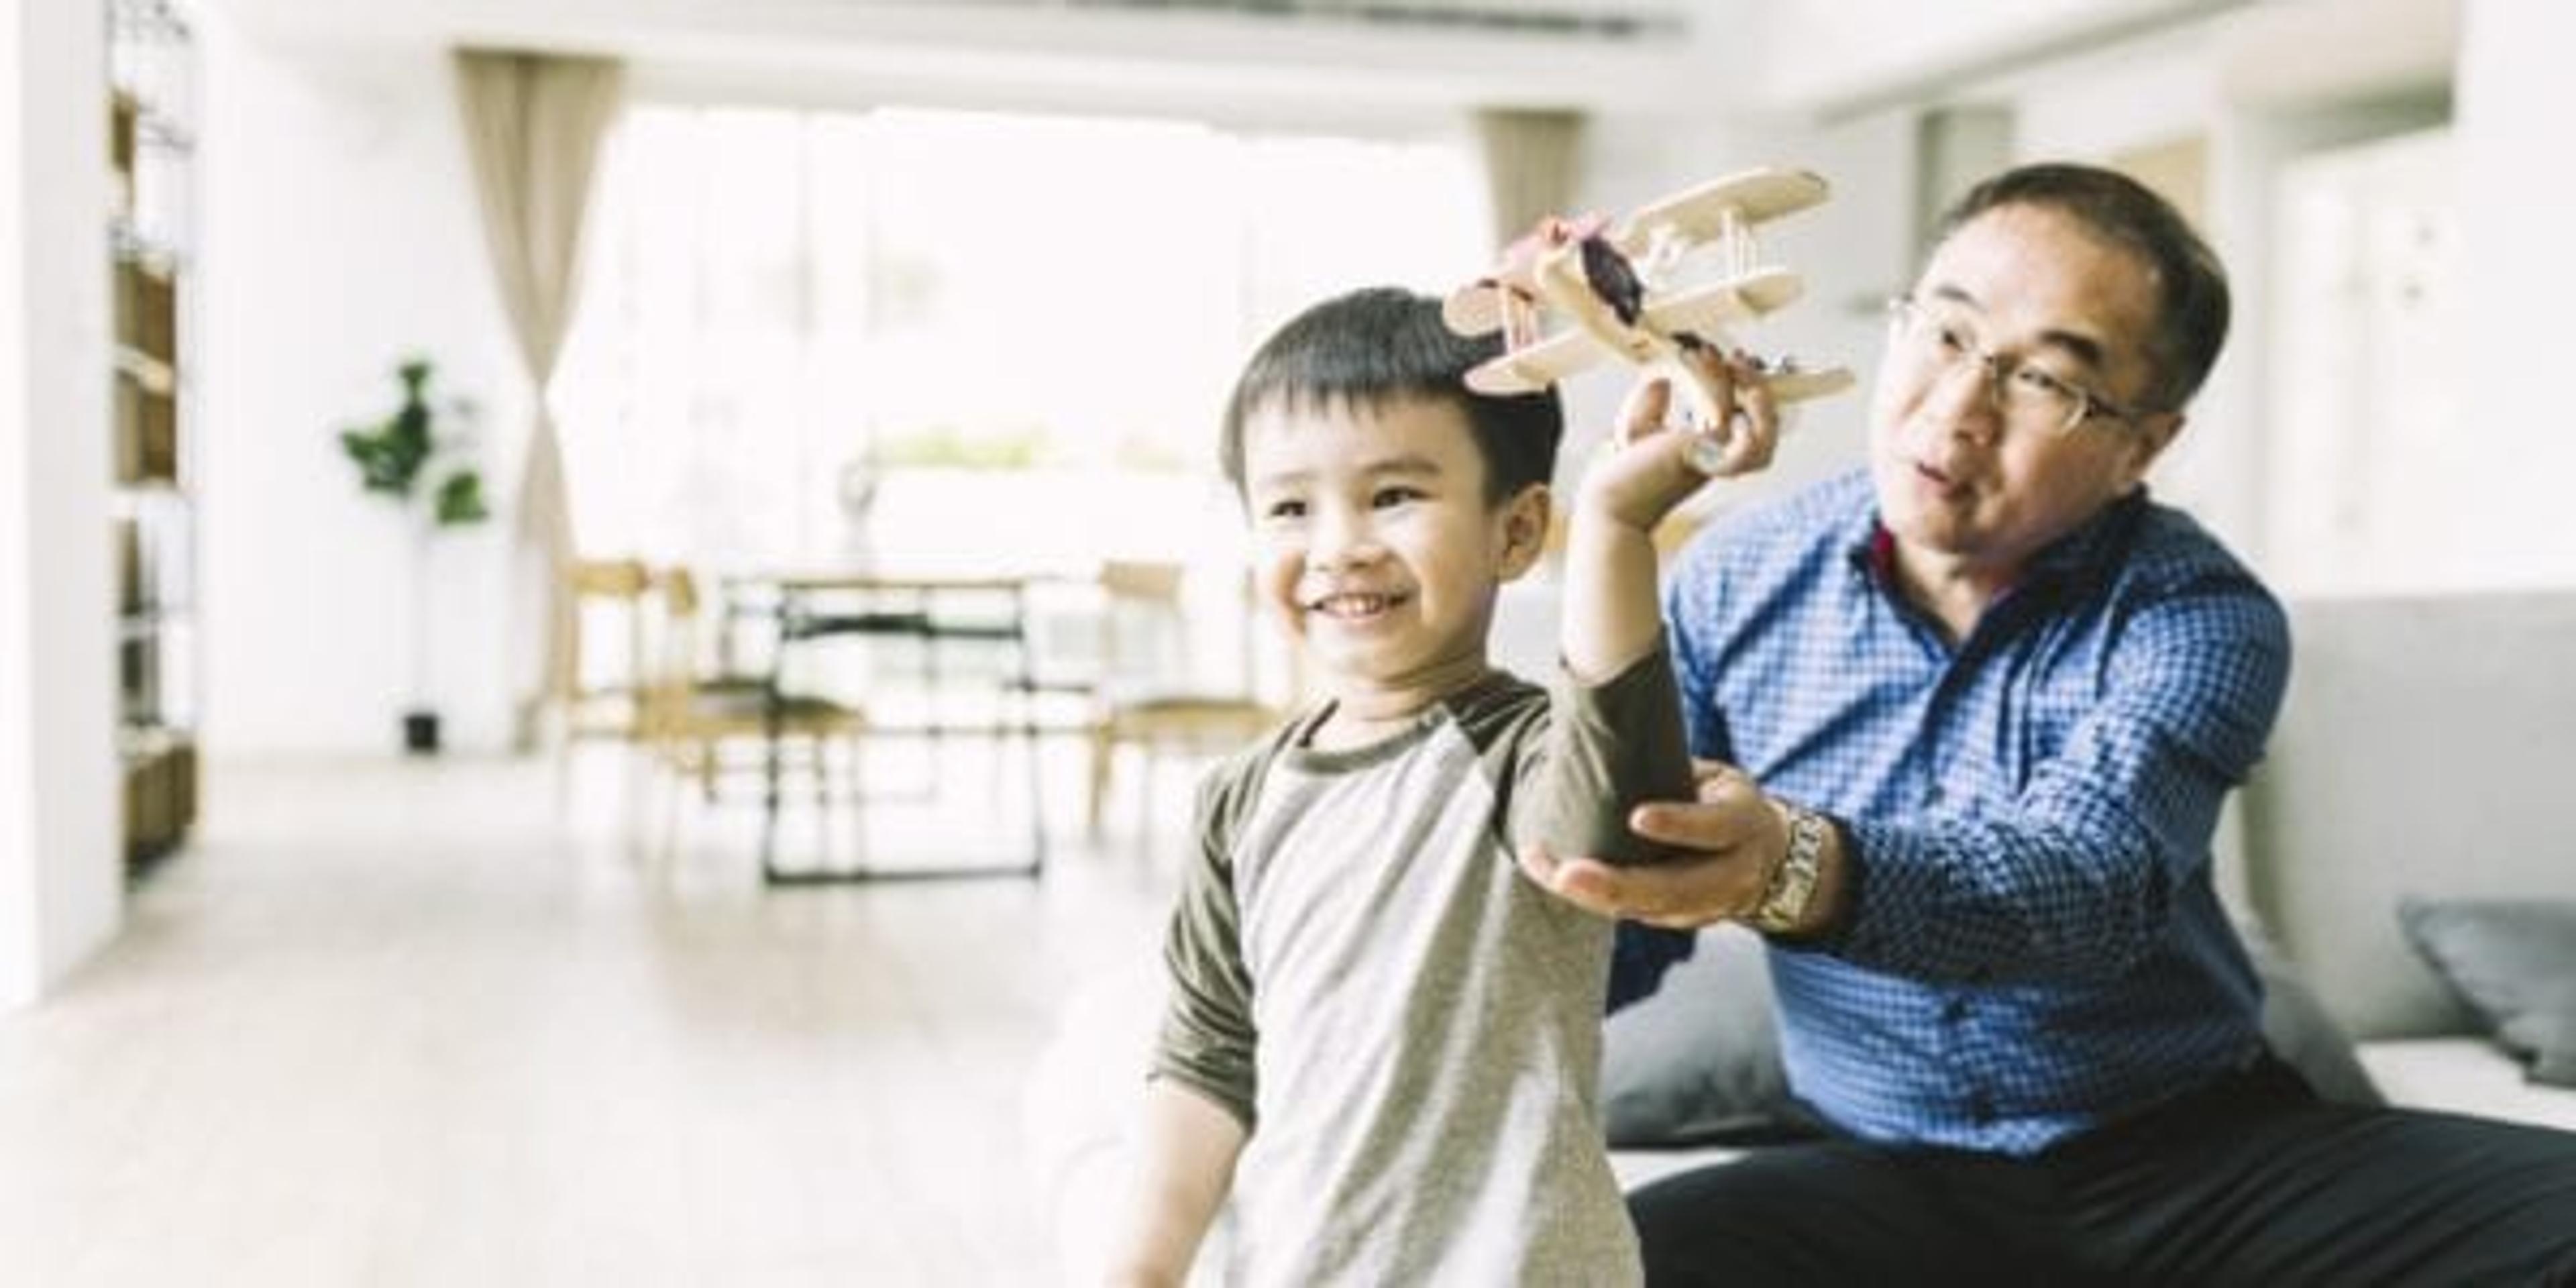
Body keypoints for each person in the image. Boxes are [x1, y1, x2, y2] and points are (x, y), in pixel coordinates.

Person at [1521, 161, 2576, 1285]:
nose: (1960, 410)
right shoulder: (1736, 580)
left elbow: (2082, 882)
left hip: (2201, 1164)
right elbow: (1620, 913)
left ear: (2143, 445)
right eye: (1947, 335)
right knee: (1601, 1264)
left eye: (2046, 382)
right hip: (1883, 1182)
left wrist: (1789, 865)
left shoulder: (2199, 612)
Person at [1099, 286, 1782, 1286]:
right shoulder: (1240, 801)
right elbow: (1209, 1057)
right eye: (1290, 506)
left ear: (1515, 534)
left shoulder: (1525, 756)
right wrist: (1140, 1270)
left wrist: (1616, 524)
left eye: (1393, 496)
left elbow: (1615, 820)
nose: (1339, 545)